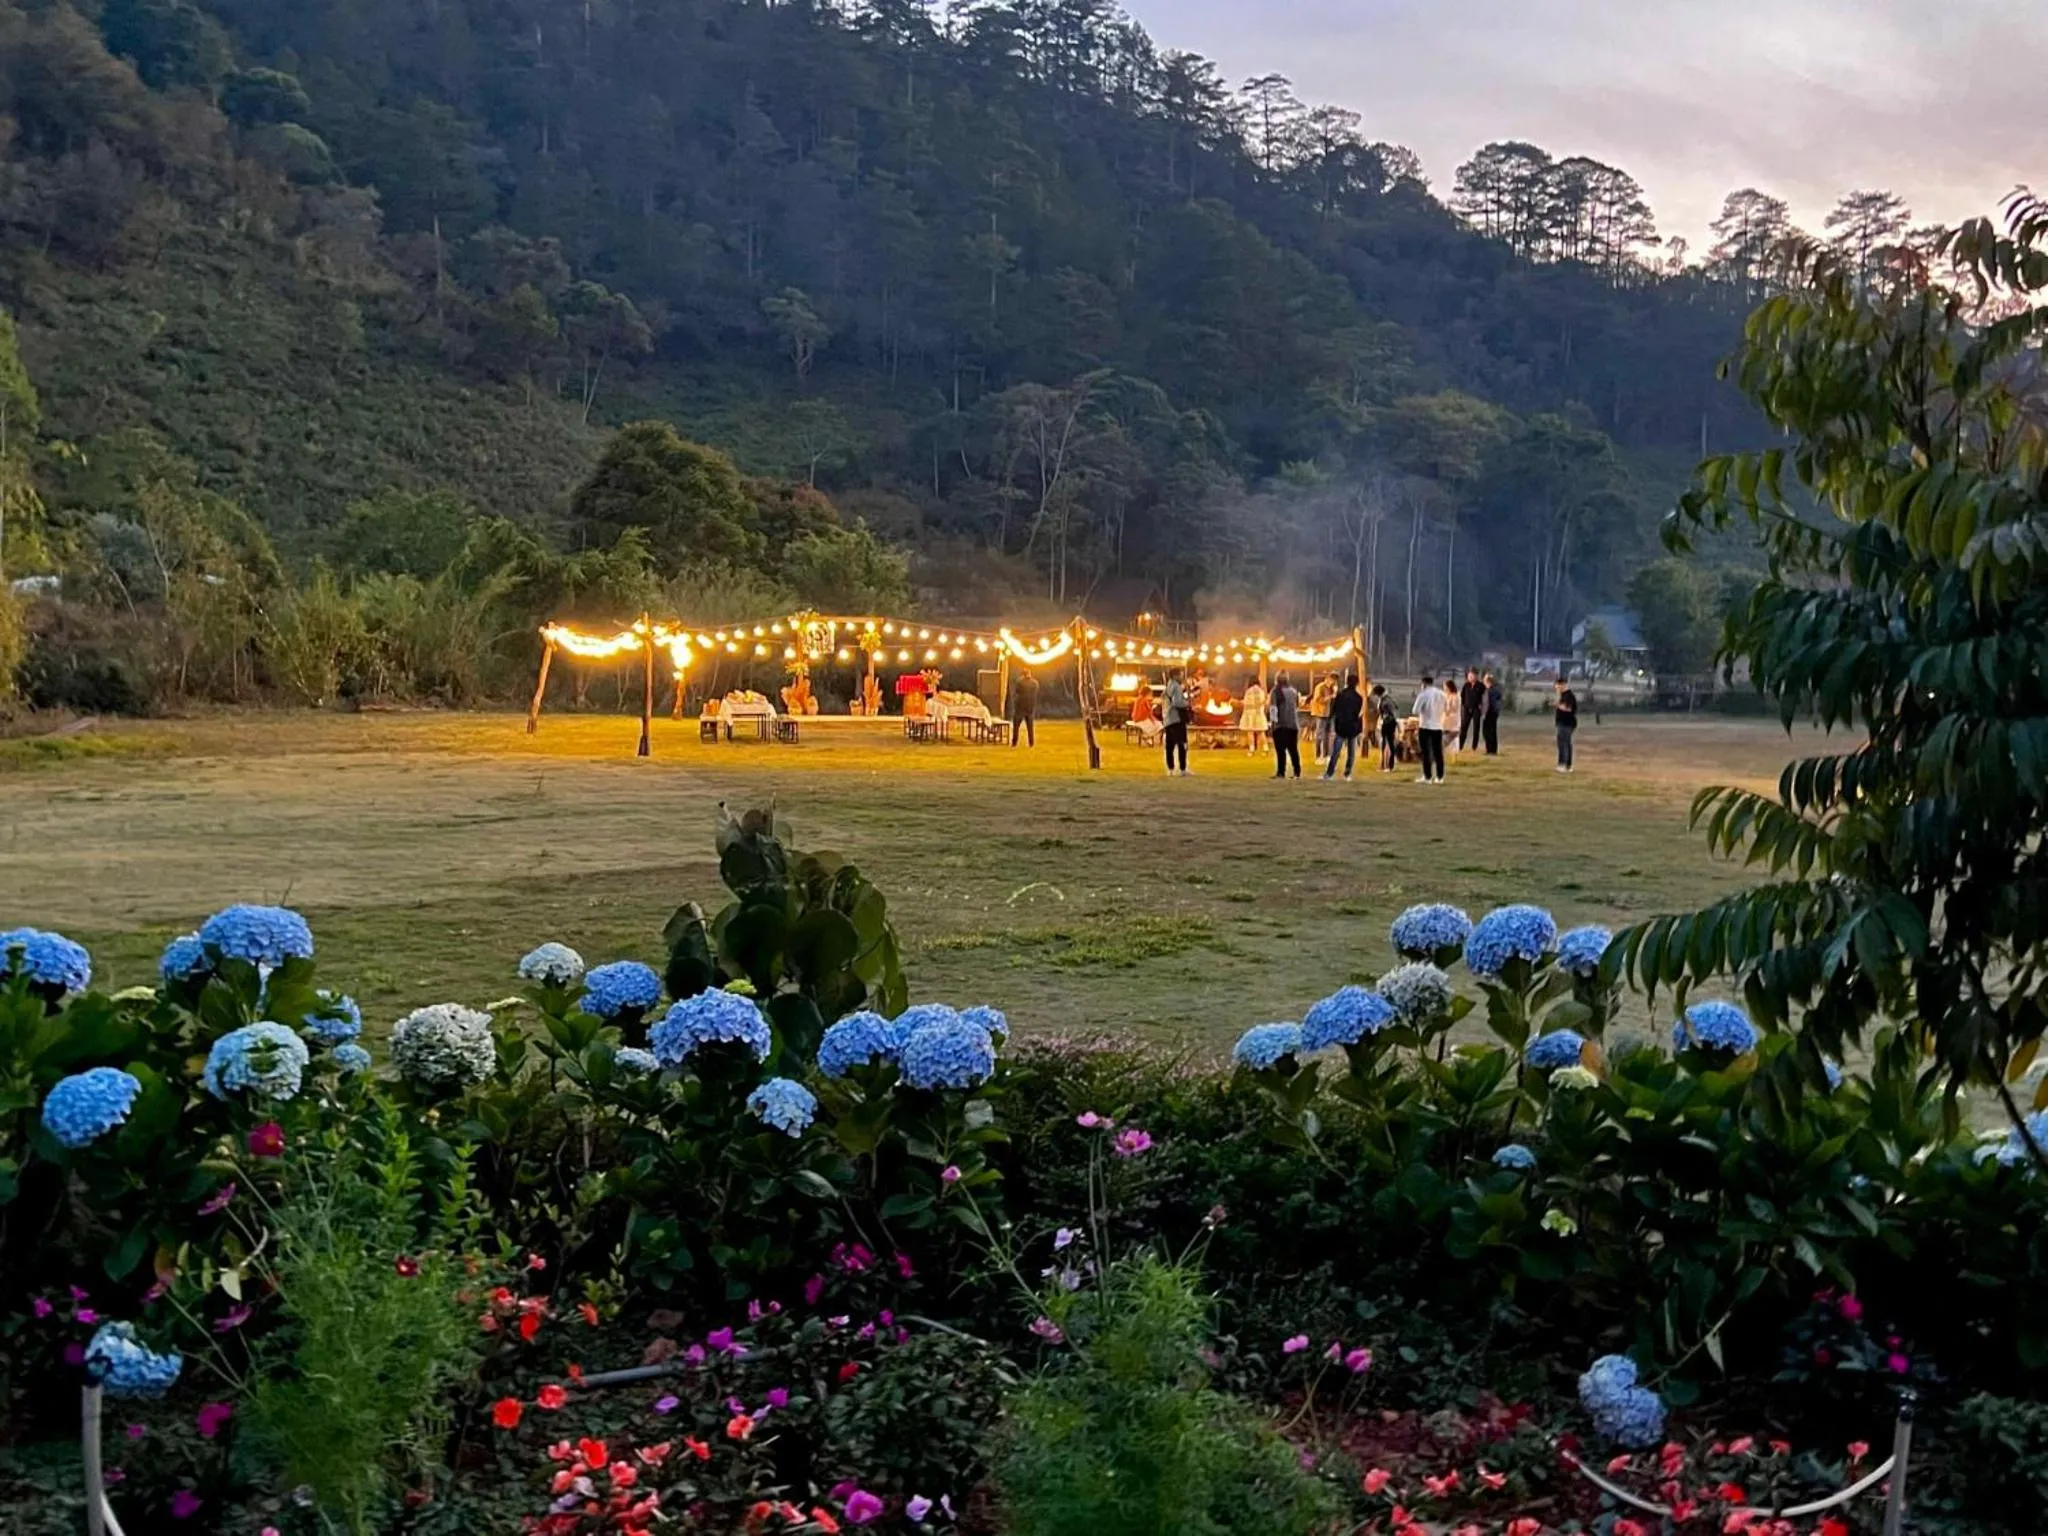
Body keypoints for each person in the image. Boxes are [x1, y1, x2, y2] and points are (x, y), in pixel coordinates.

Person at [1322, 672, 1365, 781]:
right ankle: (1347, 773)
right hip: (1353, 727)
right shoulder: (1358, 698)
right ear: (1356, 684)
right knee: (1351, 752)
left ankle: (1329, 773)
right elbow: (1357, 713)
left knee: (1335, 752)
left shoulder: (1340, 695)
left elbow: (1334, 709)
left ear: (1347, 682)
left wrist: (1330, 720)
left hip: (1341, 726)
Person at [1413, 673, 1448, 784]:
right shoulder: (1442, 694)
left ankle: (1427, 776)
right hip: (1438, 726)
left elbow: (1415, 710)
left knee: (1426, 752)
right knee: (1438, 752)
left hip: (1425, 726)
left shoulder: (1423, 694)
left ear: (1424, 684)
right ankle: (1440, 777)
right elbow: (1446, 709)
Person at [1269, 671, 1302, 779]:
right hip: (1293, 724)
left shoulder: (1275, 691)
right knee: (1293, 749)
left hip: (1280, 724)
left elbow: (1273, 708)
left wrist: (1273, 723)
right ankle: (1297, 772)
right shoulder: (1293, 691)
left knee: (1280, 750)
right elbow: (1297, 705)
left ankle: (1281, 772)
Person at [1162, 669, 1191, 776]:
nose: (1182, 677)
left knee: (1169, 745)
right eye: (1181, 675)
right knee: (1182, 744)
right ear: (1175, 676)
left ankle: (1170, 769)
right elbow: (1177, 702)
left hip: (1168, 719)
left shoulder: (1168, 687)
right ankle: (1183, 769)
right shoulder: (1176, 686)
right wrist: (1187, 703)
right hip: (1177, 718)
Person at [1007, 668, 1039, 748]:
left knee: (1016, 726)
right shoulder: (1035, 683)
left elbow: (1017, 692)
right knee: (1030, 727)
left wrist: (1015, 702)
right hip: (1030, 707)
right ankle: (1031, 743)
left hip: (1020, 708)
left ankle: (1014, 742)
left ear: (1023, 675)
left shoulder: (1020, 682)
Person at [1308, 672, 1336, 762]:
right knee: (1320, 735)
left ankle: (1326, 755)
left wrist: (1334, 693)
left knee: (1328, 735)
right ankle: (1318, 756)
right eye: (1332, 679)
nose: (1333, 681)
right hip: (1321, 714)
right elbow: (1317, 700)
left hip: (1329, 714)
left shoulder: (1331, 688)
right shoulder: (1320, 687)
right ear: (1327, 679)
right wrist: (1330, 697)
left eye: (1334, 680)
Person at [1554, 677, 1579, 773]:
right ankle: (1566, 765)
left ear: (1563, 685)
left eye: (1558, 686)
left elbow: (1568, 708)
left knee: (1563, 744)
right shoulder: (1563, 695)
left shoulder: (1569, 695)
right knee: (1564, 743)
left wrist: (1557, 705)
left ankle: (1563, 764)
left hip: (1567, 723)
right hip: (1562, 723)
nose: (1557, 689)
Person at [1240, 676, 1269, 756]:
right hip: (1259, 714)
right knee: (1261, 732)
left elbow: (1245, 703)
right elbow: (1264, 702)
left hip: (1250, 715)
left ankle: (1251, 750)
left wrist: (1240, 702)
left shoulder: (1248, 691)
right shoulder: (1261, 691)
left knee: (1250, 732)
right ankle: (1265, 749)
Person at [1460, 669, 1486, 752]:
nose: (1470, 677)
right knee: (1464, 727)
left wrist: (1482, 706)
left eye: (1472, 676)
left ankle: (1474, 747)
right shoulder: (1466, 685)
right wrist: (1463, 706)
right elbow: (1462, 696)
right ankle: (1460, 745)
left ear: (1476, 676)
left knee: (1476, 728)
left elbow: (1484, 698)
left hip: (1476, 709)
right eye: (1469, 676)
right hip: (1467, 708)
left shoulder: (1481, 686)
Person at [1376, 685, 1400, 772]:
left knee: (1389, 743)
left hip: (1388, 722)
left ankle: (1389, 765)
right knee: (1384, 743)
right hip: (1386, 722)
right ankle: (1384, 764)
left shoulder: (1386, 700)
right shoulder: (1385, 699)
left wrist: (1390, 719)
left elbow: (1393, 710)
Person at [1482, 671, 1502, 756]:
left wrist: (1484, 714)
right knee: (1493, 731)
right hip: (1495, 713)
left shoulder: (1488, 691)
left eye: (1484, 680)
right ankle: (1494, 750)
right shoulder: (1496, 690)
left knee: (1486, 732)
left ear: (1487, 681)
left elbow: (1487, 703)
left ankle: (1489, 750)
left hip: (1489, 713)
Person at [1442, 676, 1463, 755]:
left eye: (1445, 687)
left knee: (1451, 733)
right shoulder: (1446, 695)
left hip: (1452, 719)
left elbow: (1454, 708)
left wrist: (1446, 709)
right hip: (1446, 718)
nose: (1444, 688)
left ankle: (1452, 750)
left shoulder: (1455, 696)